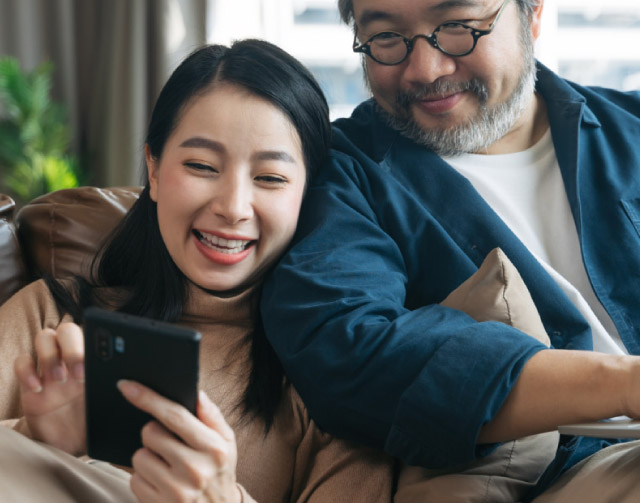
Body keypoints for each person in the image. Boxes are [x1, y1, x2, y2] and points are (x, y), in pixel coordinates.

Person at [259, 0, 640, 501]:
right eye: (385, 38)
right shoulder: (343, 178)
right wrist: (638, 383)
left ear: (533, 5)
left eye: (458, 26)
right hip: (556, 474)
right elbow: (350, 351)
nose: (425, 68)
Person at [0, 39, 392, 503]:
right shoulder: (50, 316)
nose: (232, 208)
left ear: (307, 197)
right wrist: (36, 438)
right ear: (155, 169)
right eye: (202, 166)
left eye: (270, 178)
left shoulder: (339, 376)